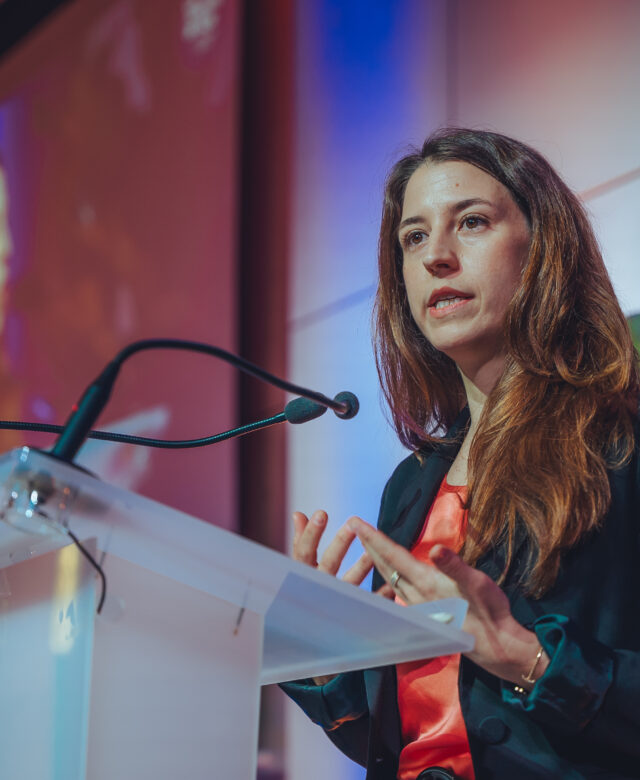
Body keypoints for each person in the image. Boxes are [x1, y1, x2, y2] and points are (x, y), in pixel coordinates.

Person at [281, 128, 640, 780]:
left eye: (470, 222)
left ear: (543, 246)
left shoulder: (620, 443)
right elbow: (411, 736)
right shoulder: (412, 484)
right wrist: (324, 658)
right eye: (413, 238)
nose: (435, 257)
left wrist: (528, 658)